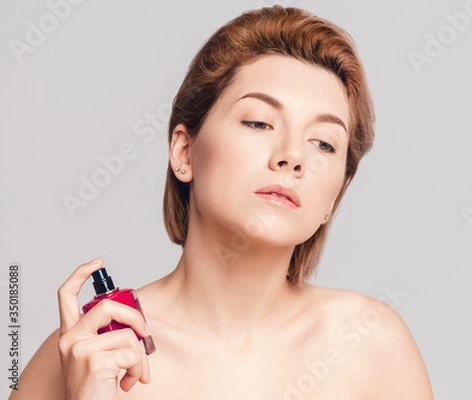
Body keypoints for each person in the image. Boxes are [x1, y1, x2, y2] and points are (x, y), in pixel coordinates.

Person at [11, 6, 433, 399]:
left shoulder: (371, 345)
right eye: (259, 122)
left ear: (335, 195)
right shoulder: (91, 351)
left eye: (323, 143)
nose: (293, 156)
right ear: (184, 152)